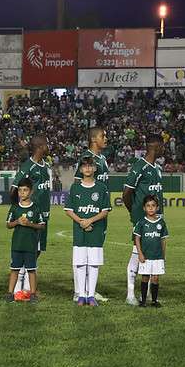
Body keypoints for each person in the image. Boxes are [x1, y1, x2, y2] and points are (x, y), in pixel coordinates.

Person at [123, 134, 164, 306]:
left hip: (157, 219)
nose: (164, 149)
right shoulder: (139, 166)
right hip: (142, 219)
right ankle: (130, 295)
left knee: (151, 257)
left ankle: (146, 295)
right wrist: (134, 213)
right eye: (162, 146)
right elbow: (126, 192)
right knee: (136, 255)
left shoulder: (158, 168)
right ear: (155, 146)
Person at [64, 157, 111, 307]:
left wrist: (89, 221)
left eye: (90, 166)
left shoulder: (101, 188)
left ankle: (91, 295)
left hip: (96, 231)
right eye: (85, 166)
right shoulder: (75, 187)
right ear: (81, 169)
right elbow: (69, 210)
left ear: (95, 168)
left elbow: (105, 211)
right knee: (80, 263)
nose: (88, 169)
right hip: (79, 232)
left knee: (94, 263)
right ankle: (81, 295)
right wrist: (81, 222)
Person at [72, 127, 110, 302]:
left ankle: (90, 290)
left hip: (99, 212)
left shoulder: (102, 159)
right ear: (94, 139)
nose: (106, 138)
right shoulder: (86, 159)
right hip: (86, 213)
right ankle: (79, 291)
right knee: (81, 252)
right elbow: (78, 186)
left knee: (94, 251)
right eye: (103, 136)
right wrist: (83, 217)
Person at [9, 135, 51, 294]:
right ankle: (21, 285)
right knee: (29, 249)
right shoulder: (28, 167)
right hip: (30, 214)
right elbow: (13, 189)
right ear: (40, 147)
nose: (48, 147)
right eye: (46, 144)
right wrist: (18, 209)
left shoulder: (45, 164)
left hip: (44, 214)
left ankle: (26, 284)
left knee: (38, 249)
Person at [5, 178, 46, 303]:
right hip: (17, 245)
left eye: (25, 190)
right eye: (20, 190)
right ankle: (10, 294)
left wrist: (29, 224)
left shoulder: (36, 208)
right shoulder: (15, 208)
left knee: (31, 270)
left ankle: (33, 294)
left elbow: (42, 225)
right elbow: (8, 224)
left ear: (31, 192)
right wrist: (17, 222)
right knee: (14, 270)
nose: (22, 193)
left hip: (30, 245)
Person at [133, 195, 168, 308]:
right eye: (148, 206)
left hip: (157, 256)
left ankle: (154, 300)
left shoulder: (161, 222)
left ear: (157, 207)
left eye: (153, 206)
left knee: (156, 278)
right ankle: (143, 300)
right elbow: (137, 238)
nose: (151, 208)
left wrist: (163, 255)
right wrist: (140, 253)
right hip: (146, 256)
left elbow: (163, 240)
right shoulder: (141, 222)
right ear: (144, 208)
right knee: (145, 277)